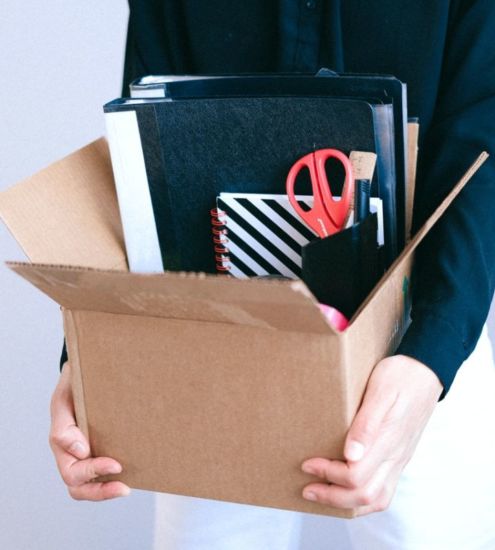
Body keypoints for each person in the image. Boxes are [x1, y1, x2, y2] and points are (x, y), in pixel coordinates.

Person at [49, 1, 495, 548]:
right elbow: (145, 151)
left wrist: (431, 357)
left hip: (417, 338)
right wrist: (86, 355)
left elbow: (483, 144)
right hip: (212, 349)